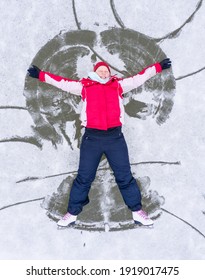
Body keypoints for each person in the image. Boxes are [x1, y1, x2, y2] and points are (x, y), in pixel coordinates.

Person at [27, 58, 171, 227]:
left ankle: (137, 212)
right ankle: (72, 214)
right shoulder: (84, 87)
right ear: (95, 73)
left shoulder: (118, 85)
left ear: (110, 74)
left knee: (124, 177)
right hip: (92, 139)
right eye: (100, 71)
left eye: (106, 71)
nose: (104, 73)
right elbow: (62, 83)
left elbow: (139, 78)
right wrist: (41, 75)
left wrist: (158, 67)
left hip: (115, 138)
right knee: (84, 177)